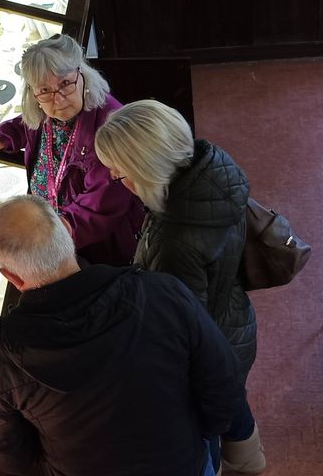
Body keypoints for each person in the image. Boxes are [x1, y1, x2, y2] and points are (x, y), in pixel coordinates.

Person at [0, 195, 243, 476]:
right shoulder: (162, 292)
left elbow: (9, 454)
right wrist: (196, 436)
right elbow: (223, 381)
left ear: (12, 277)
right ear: (67, 231)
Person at [94, 100, 266, 474]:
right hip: (235, 321)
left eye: (118, 171)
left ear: (146, 169)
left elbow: (181, 329)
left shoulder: (174, 240)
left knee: (208, 428)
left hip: (210, 350)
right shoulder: (212, 170)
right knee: (234, 399)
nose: (112, 178)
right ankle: (250, 457)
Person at [0, 34, 143, 266]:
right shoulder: (43, 108)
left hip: (92, 244)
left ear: (81, 75)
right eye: (45, 90)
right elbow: (27, 123)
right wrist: (3, 139)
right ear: (33, 94)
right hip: (52, 224)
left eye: (65, 84)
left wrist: (50, 238)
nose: (57, 99)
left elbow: (101, 208)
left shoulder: (110, 129)